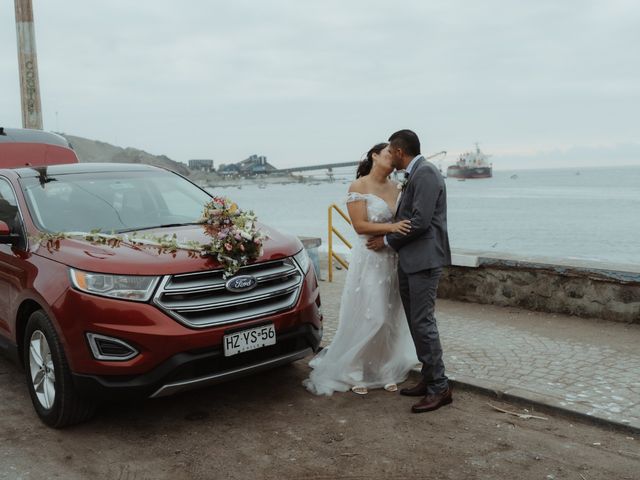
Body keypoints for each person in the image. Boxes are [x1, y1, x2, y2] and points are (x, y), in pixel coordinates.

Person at [303, 142, 417, 396]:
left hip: (392, 257)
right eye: (388, 152)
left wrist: (391, 236)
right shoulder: (359, 186)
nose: (393, 157)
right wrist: (391, 229)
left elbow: (404, 220)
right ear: (375, 156)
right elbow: (359, 226)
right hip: (369, 259)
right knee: (371, 313)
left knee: (390, 317)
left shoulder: (398, 187)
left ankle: (383, 369)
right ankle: (353, 370)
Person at [367, 129, 453, 413]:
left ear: (400, 152)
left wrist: (387, 240)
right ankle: (429, 380)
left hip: (424, 261)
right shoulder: (414, 175)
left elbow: (420, 221)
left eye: (391, 151)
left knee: (424, 323)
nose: (390, 156)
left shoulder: (426, 173)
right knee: (417, 323)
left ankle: (440, 388)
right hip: (410, 259)